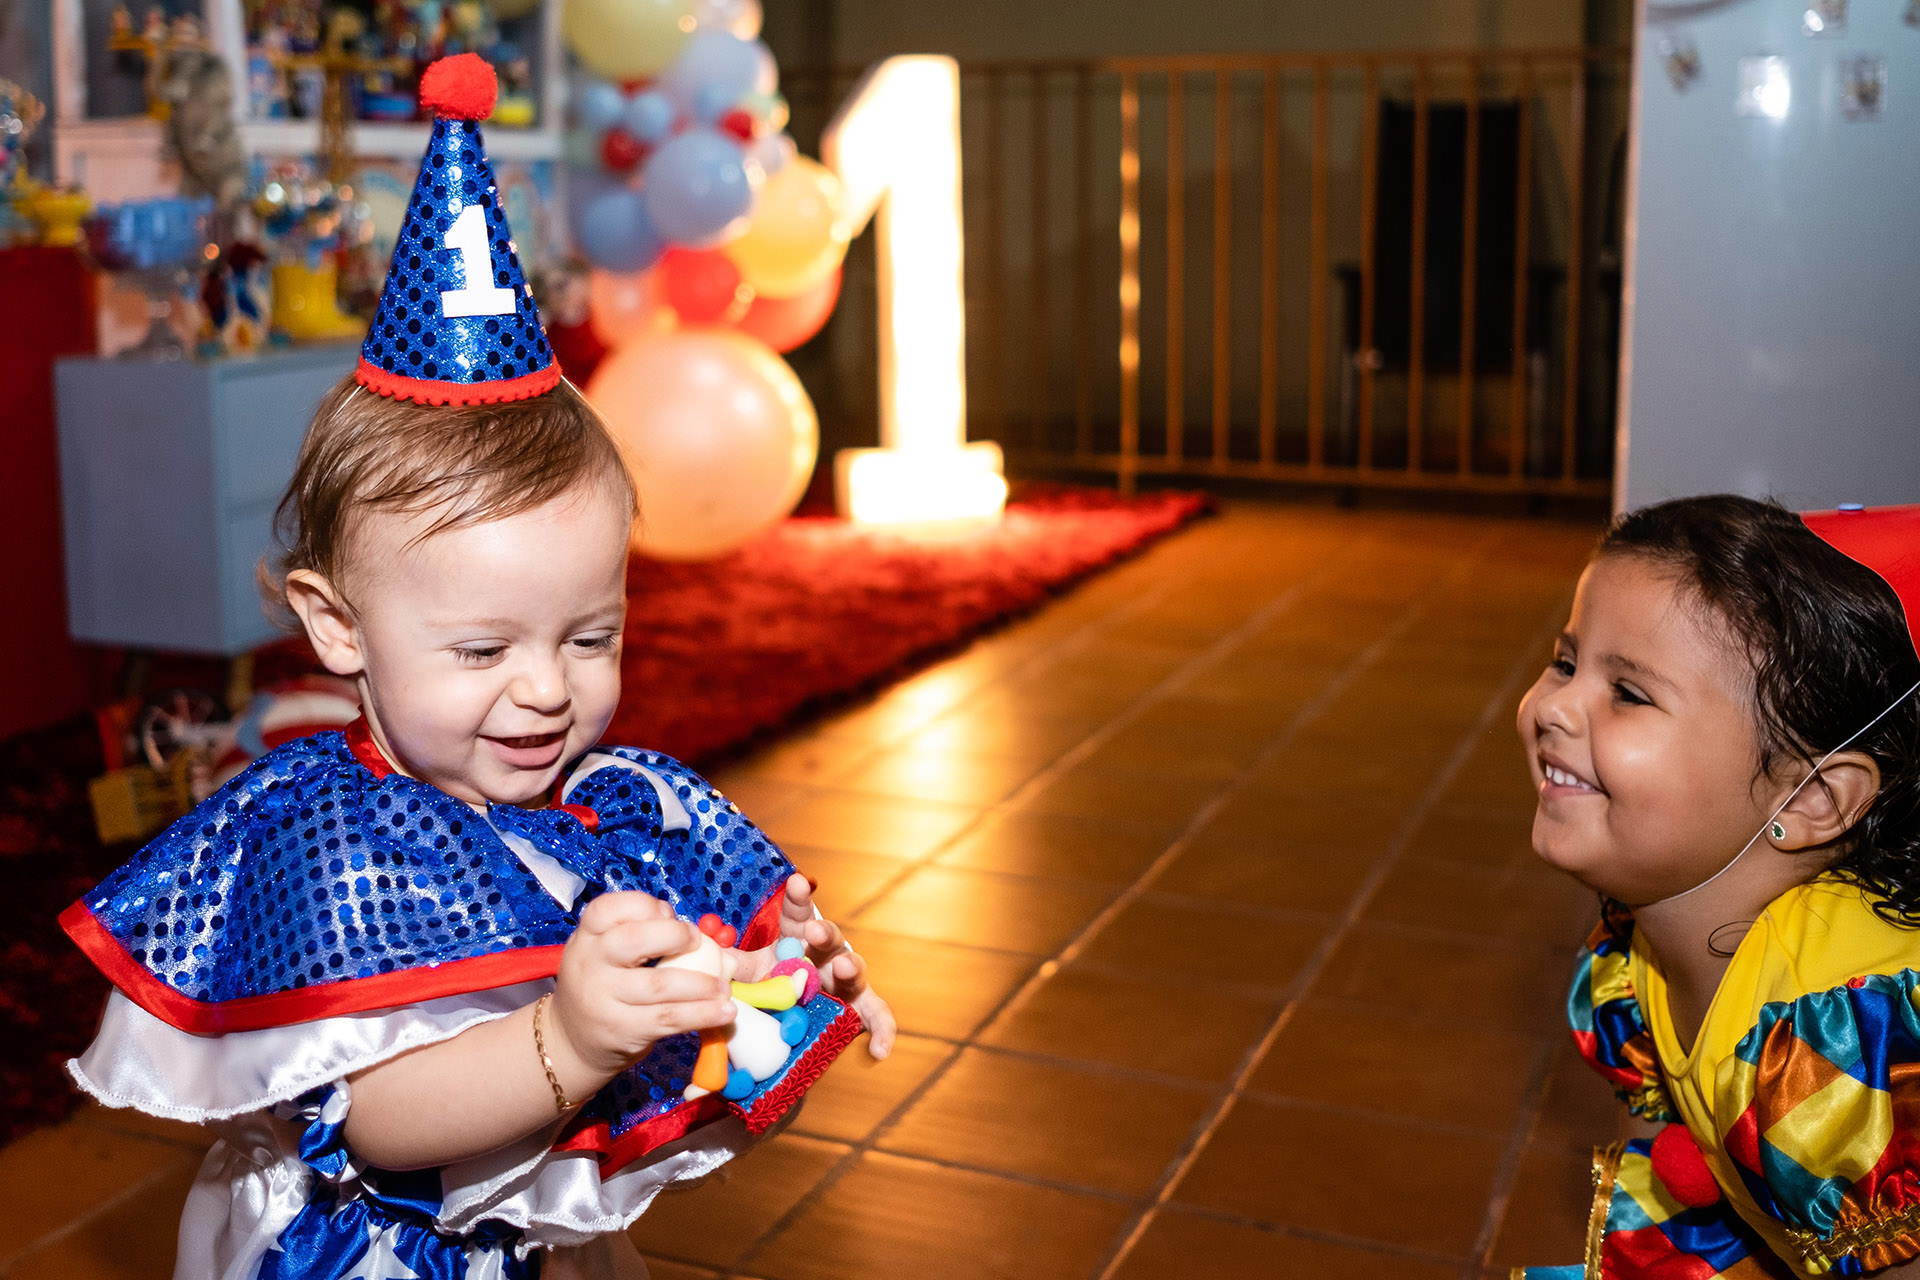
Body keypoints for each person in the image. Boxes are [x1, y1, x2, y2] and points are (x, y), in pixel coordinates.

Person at [59, 54, 893, 1280]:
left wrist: (777, 982)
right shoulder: (327, 842)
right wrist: (570, 1035)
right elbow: (388, 1123)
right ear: (338, 627)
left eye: (590, 634)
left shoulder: (618, 805)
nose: (549, 688)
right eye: (484, 647)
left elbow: (701, 1058)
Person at [1515, 494, 1920, 1279]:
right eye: (1566, 662)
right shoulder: (1637, 957)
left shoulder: (1837, 1056)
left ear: (1811, 800)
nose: (1553, 706)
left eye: (1628, 692)